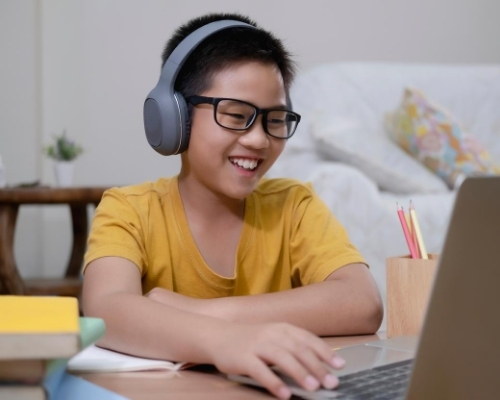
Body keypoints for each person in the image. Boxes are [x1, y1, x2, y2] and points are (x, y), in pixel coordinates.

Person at [82, 12, 383, 400]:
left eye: (274, 119)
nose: (258, 140)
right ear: (176, 117)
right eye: (237, 116)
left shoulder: (294, 206)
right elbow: (106, 308)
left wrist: (198, 312)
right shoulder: (129, 210)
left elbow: (361, 302)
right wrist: (221, 340)